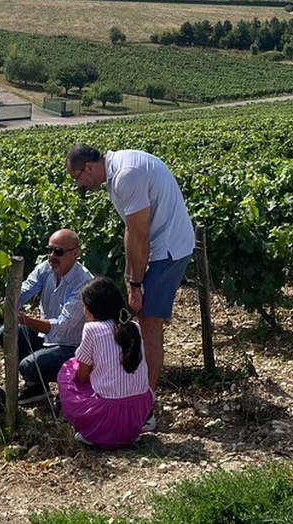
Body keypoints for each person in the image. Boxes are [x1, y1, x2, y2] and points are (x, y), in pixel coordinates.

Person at [66, 145, 194, 430]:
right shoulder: (116, 175)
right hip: (160, 245)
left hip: (169, 248)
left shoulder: (126, 175)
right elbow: (129, 230)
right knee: (142, 316)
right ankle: (140, 393)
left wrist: (136, 284)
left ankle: (145, 405)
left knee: (148, 320)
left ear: (88, 167)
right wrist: (129, 276)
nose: (79, 186)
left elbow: (139, 235)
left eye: (76, 178)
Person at [0, 229, 93, 404]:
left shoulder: (83, 282)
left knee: (28, 366)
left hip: (71, 347)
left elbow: (63, 326)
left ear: (75, 253)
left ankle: (69, 391)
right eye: (49, 250)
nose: (52, 255)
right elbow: (25, 289)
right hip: (46, 337)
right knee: (5, 333)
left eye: (58, 252)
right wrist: (10, 301)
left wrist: (25, 320)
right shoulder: (46, 268)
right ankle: (37, 388)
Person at [57, 277, 153, 449]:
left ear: (92, 308)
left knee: (67, 372)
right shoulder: (134, 327)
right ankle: (127, 433)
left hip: (107, 412)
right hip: (139, 407)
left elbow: (83, 376)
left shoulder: (92, 330)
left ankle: (95, 432)